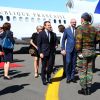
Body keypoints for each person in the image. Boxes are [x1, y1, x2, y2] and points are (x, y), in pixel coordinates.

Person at [75, 12, 100, 95]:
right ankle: (89, 88)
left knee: (82, 71)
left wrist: (78, 52)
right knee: (89, 71)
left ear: (82, 19)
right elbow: (97, 40)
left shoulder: (80, 28)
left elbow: (78, 41)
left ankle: (84, 89)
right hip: (92, 52)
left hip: (83, 52)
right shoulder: (94, 28)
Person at [37, 21, 57, 85]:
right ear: (45, 26)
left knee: (50, 66)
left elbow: (56, 40)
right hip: (44, 52)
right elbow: (39, 44)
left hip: (51, 52)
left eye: (50, 25)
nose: (49, 26)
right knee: (44, 66)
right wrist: (40, 53)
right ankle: (43, 79)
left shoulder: (52, 33)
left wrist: (56, 45)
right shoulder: (41, 33)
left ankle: (49, 77)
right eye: (48, 25)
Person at [61, 19, 77, 83]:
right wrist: (63, 49)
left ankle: (72, 77)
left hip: (75, 49)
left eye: (75, 22)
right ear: (70, 23)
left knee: (73, 64)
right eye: (73, 22)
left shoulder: (77, 30)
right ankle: (68, 77)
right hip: (68, 49)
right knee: (68, 62)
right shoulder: (66, 30)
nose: (74, 23)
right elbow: (63, 40)